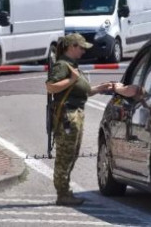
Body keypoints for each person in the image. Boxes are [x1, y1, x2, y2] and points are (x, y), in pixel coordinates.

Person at [45, 33, 112, 206]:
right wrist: (71, 79)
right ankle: (62, 193)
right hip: (67, 115)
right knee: (65, 156)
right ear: (71, 47)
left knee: (72, 154)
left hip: (76, 113)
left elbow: (86, 91)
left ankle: (65, 191)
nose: (83, 51)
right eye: (81, 47)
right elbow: (50, 86)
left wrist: (102, 87)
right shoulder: (62, 65)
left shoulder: (73, 65)